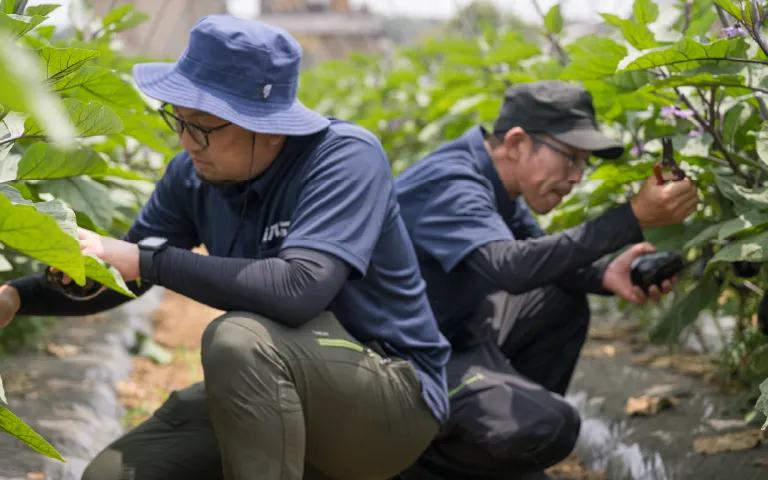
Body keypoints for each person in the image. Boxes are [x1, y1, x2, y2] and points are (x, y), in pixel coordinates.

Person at [0, 15, 452, 480]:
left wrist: (143, 259)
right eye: (178, 119)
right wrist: (19, 295)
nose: (186, 140)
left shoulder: (343, 158)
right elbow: (123, 276)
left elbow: (299, 290)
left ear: (271, 126)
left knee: (237, 339)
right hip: (278, 385)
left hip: (389, 398)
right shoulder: (193, 174)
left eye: (203, 127)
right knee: (112, 475)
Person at [391, 80, 700, 479]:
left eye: (583, 163)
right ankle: (406, 463)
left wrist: (605, 274)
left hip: (452, 331)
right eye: (570, 158)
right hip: (400, 361)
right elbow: (512, 267)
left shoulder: (497, 182)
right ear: (518, 143)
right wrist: (632, 217)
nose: (577, 177)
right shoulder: (450, 182)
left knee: (560, 301)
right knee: (554, 424)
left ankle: (497, 449)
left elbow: (538, 254)